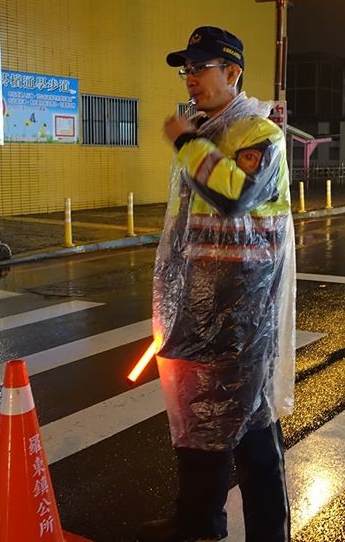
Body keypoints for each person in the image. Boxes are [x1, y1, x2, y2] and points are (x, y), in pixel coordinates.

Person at [138, 27, 296, 542]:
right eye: (186, 69)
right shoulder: (206, 130)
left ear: (232, 72)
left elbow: (237, 197)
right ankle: (197, 522)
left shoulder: (258, 134)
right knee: (196, 419)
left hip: (240, 314)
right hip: (193, 306)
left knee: (249, 428)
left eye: (200, 68)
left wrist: (185, 141)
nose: (190, 78)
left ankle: (267, 535)